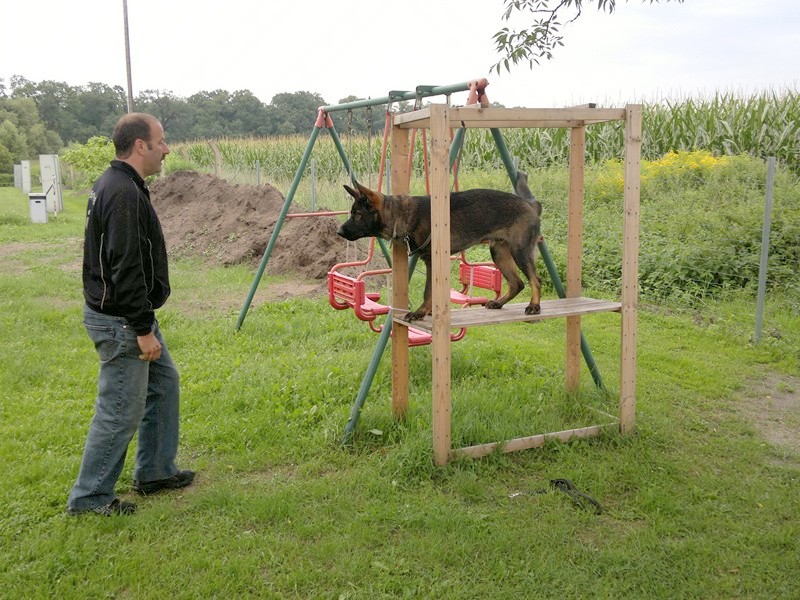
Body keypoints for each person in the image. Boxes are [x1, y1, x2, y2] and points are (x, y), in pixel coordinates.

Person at [67, 113, 194, 516]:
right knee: (120, 409)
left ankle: (154, 472)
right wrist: (142, 329)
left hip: (130, 316)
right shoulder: (122, 191)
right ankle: (89, 498)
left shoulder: (119, 184)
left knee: (164, 384)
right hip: (123, 320)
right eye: (162, 141)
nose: (167, 149)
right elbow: (125, 266)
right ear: (141, 145)